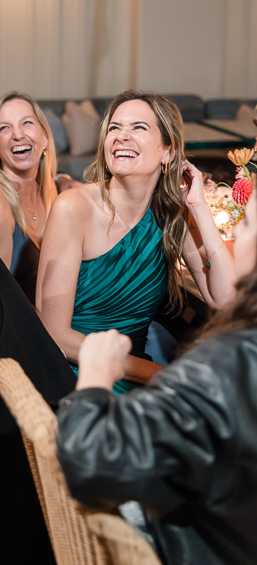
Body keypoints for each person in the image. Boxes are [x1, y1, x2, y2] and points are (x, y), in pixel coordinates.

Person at [56, 186, 257, 565]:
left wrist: (99, 376)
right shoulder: (76, 206)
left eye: (245, 223)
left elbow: (90, 464)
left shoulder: (221, 367)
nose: (238, 234)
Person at [36, 90, 235, 393]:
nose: (121, 136)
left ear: (167, 151)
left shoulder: (171, 214)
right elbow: (53, 333)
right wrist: (156, 373)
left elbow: (224, 298)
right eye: (114, 128)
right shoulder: (72, 207)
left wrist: (199, 207)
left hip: (135, 374)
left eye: (138, 127)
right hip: (76, 375)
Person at [0, 91, 59, 304]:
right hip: (19, 334)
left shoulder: (52, 191)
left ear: (45, 138)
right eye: (4, 128)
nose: (18, 135)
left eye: (27, 123)